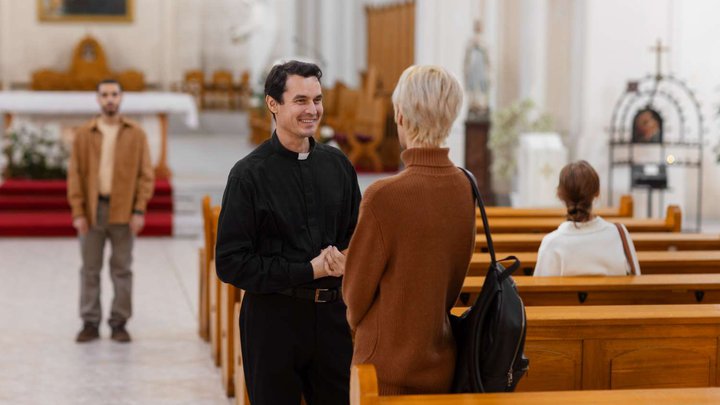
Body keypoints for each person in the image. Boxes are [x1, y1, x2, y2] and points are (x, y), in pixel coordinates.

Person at [215, 60, 361, 405]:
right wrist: (308, 269)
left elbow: (357, 235)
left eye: (317, 100)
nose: (312, 110)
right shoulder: (248, 175)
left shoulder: (338, 165)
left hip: (332, 319)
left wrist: (345, 258)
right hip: (272, 321)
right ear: (273, 104)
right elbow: (230, 263)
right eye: (300, 101)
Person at [342, 65, 476, 395]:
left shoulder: (382, 196)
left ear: (400, 116)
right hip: (441, 360)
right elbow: (453, 278)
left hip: (382, 370)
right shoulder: (464, 186)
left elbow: (354, 297)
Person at [67, 79, 155, 343]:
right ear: (98, 99)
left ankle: (119, 322)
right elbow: (75, 175)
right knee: (90, 269)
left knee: (121, 269)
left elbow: (146, 176)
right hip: (93, 211)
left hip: (123, 210)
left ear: (121, 98)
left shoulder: (136, 134)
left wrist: (139, 210)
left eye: (114, 94)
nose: (109, 99)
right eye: (104, 95)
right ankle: (90, 321)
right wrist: (78, 212)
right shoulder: (84, 134)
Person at [534, 160, 641, 276]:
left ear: (560, 195)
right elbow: (636, 278)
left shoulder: (552, 243)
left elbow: (540, 292)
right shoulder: (619, 234)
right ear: (597, 192)